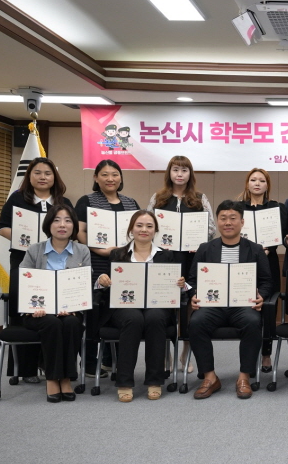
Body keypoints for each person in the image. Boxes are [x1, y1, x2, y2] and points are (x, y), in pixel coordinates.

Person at [187, 200, 275, 399]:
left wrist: (261, 296)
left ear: (242, 222)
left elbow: (267, 281)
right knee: (196, 322)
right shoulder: (205, 248)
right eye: (223, 218)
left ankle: (244, 377)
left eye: (233, 218)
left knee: (252, 321)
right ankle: (209, 377)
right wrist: (193, 295)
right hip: (212, 305)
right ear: (217, 221)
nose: (228, 222)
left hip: (242, 305)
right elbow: (192, 280)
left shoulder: (255, 249)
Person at [95, 211, 186, 402]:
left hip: (157, 306)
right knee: (133, 318)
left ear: (155, 231)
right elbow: (106, 285)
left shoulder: (166, 256)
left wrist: (180, 284)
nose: (144, 229)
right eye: (139, 225)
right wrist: (102, 280)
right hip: (124, 307)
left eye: (149, 226)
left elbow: (177, 288)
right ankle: (124, 381)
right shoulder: (117, 254)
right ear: (131, 229)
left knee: (155, 318)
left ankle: (155, 380)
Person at [0, 157, 72, 384]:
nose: (42, 177)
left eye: (47, 173)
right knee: (26, 312)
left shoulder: (63, 202)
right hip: (24, 260)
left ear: (54, 177)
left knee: (54, 314)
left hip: (55, 262)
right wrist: (30, 242)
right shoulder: (17, 198)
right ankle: (24, 368)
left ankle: (48, 364)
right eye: (37, 172)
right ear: (29, 176)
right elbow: (3, 228)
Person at [147, 155, 216, 376]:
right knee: (165, 303)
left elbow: (211, 228)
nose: (179, 174)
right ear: (169, 173)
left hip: (191, 258)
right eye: (175, 169)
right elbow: (147, 225)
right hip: (164, 259)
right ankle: (165, 353)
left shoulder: (200, 198)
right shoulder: (158, 198)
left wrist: (199, 242)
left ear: (190, 174)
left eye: (184, 170)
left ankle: (186, 351)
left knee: (189, 305)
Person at [19, 204, 91, 403]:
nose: (62, 225)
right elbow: (24, 281)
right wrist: (33, 308)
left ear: (74, 225)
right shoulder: (34, 250)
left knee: (72, 323)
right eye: (57, 220)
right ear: (48, 225)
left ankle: (66, 377)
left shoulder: (82, 250)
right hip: (38, 312)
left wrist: (73, 307)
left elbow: (84, 283)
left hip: (70, 311)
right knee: (52, 323)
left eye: (67, 220)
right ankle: (53, 378)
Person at [75, 159, 140, 377]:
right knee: (93, 313)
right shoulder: (87, 201)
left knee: (121, 308)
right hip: (96, 263)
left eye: (115, 174)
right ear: (96, 177)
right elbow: (79, 232)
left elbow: (139, 232)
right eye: (104, 174)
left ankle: (113, 361)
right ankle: (90, 363)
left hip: (125, 264)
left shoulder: (131, 203)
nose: (110, 179)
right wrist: (102, 250)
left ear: (121, 177)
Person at [237, 167, 287, 373]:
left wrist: (268, 248)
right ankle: (249, 356)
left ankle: (266, 353)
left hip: (269, 261)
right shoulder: (238, 208)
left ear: (268, 185)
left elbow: (284, 235)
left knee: (268, 308)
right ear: (247, 183)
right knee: (246, 309)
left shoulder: (277, 208)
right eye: (253, 180)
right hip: (243, 263)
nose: (257, 183)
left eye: (262, 181)